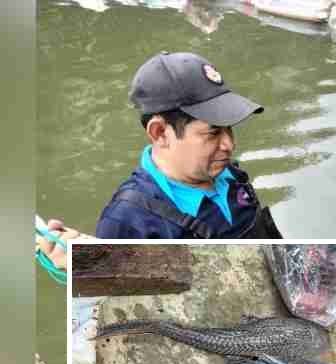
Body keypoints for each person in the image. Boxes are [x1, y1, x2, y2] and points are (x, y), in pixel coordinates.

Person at [95, 51, 281, 239]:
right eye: (213, 132)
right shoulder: (128, 222)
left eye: (229, 128)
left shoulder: (232, 176)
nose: (229, 144)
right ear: (160, 133)